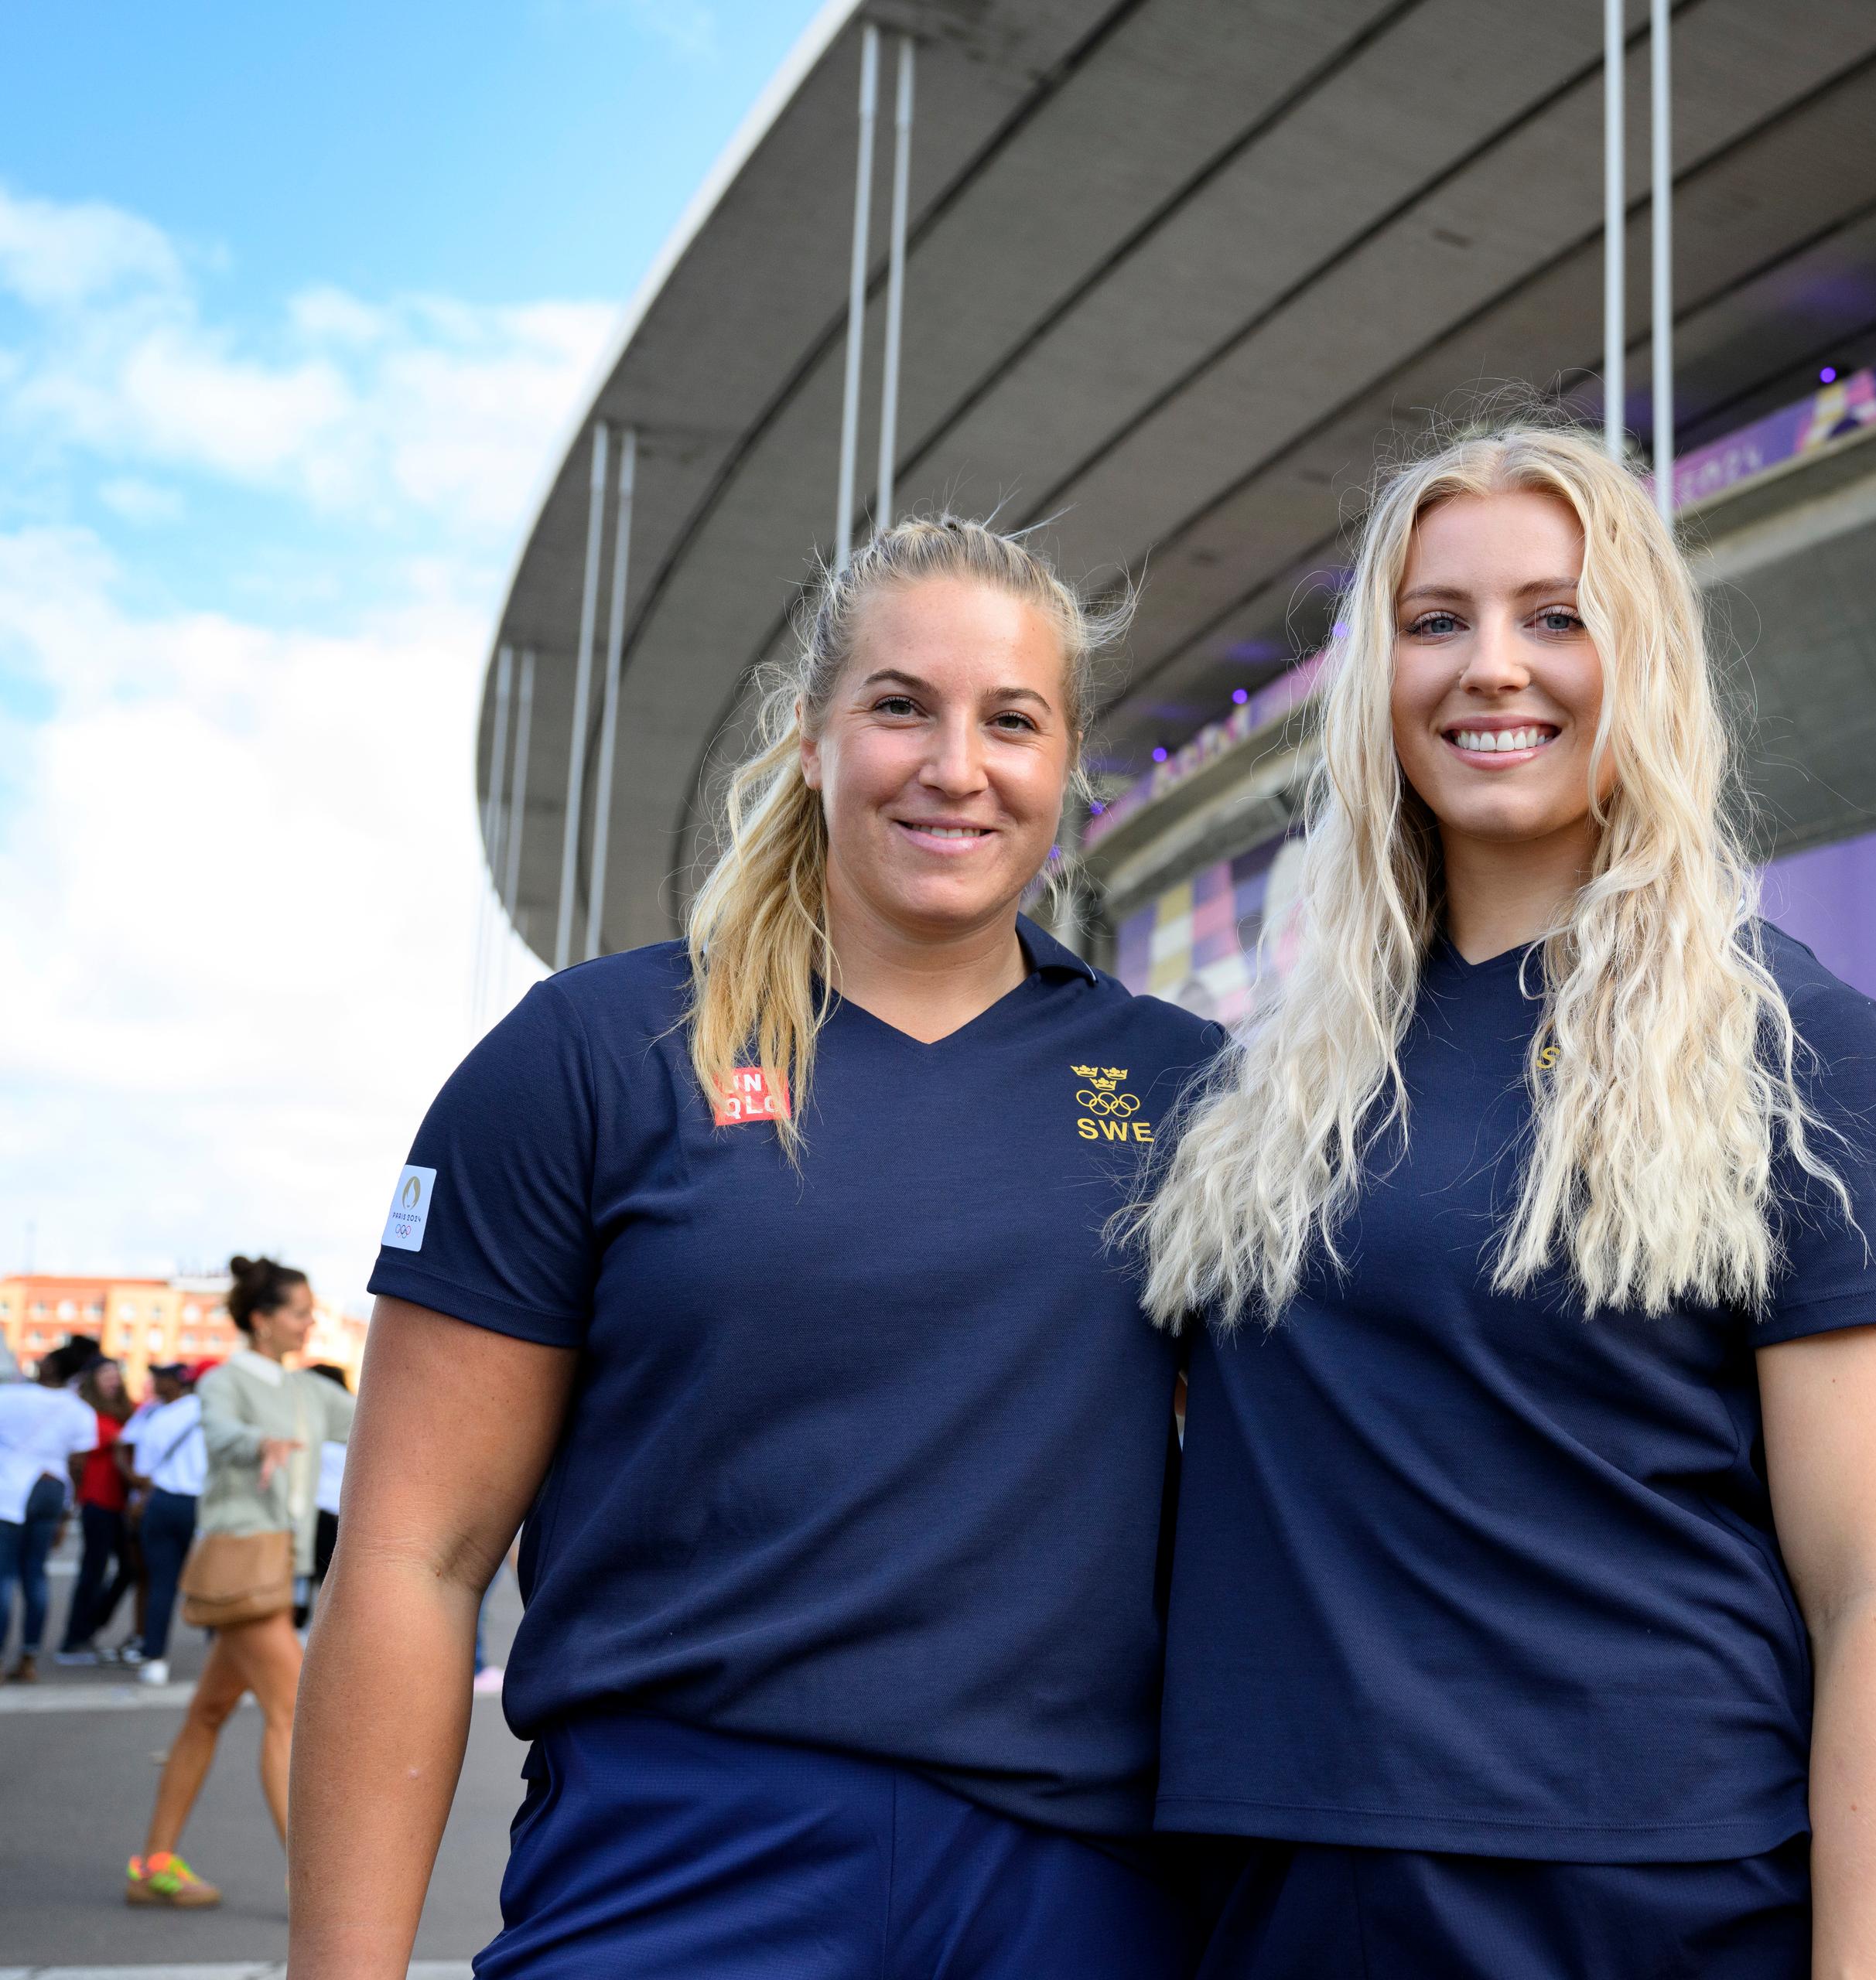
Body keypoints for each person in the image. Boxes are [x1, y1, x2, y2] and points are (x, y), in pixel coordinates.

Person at [294, 517, 1218, 1980]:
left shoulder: (1188, 1088)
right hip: (678, 1874)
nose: (954, 767)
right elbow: (416, 1554)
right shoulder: (598, 1053)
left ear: (1067, 762)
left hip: (1083, 1890)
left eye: (1012, 721)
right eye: (900, 705)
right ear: (811, 737)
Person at [1133, 415, 1876, 1978]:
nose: (1491, 666)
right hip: (1276, 1894)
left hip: (1639, 1902)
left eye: (1556, 614)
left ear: (1640, 657)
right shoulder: (1268, 1084)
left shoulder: (1788, 1042)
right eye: (1435, 620)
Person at [130, 1258, 350, 1907]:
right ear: (261, 1319)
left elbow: (378, 1417)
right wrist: (261, 1443)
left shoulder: (309, 1390)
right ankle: (312, 1886)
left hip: (274, 1570)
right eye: (299, 1312)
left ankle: (153, 1865)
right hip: (243, 1565)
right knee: (293, 1712)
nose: (310, 1322)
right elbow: (221, 1435)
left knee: (209, 1712)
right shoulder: (225, 1382)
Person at [0, 1340, 102, 1682]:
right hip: (52, 1490)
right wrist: (66, 1512)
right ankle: (28, 1657)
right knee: (35, 1574)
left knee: (5, 1576)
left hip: (12, 1491)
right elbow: (78, 1464)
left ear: (52, 1367)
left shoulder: (10, 1396)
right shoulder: (80, 1410)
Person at [121, 1362, 204, 1685]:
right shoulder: (207, 1410)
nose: (155, 1383)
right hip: (199, 1504)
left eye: (161, 1378)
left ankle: (155, 1658)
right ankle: (218, 1660)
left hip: (164, 1502)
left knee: (161, 1584)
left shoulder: (155, 1416)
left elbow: (140, 1468)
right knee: (207, 1584)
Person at [55, 1355, 138, 1663]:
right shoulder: (87, 1412)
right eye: (106, 1374)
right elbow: (119, 1439)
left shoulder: (123, 1411)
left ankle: (90, 1627)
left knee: (128, 1569)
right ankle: (74, 1639)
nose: (113, 1379)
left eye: (116, 1374)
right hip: (97, 1502)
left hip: (119, 1504)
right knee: (93, 1571)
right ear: (93, 1379)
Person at [295, 1363, 349, 1629]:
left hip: (331, 1516)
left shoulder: (338, 1421)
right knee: (309, 1580)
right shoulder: (318, 1420)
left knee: (328, 1584)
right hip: (324, 1513)